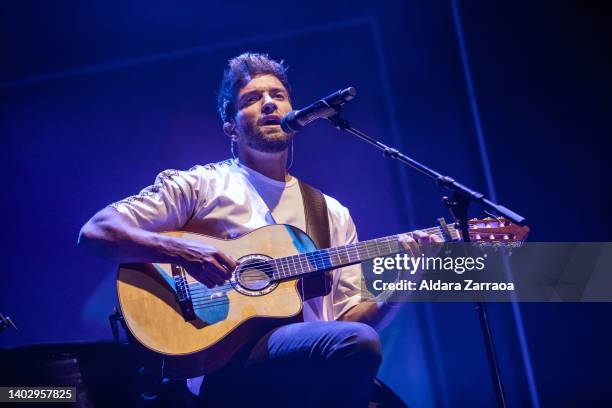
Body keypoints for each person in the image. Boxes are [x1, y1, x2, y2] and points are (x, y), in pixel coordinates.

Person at [78, 52, 439, 407]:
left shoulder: (331, 213)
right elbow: (98, 231)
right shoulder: (203, 185)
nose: (268, 104)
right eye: (252, 99)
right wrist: (183, 253)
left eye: (278, 96)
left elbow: (348, 321)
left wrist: (408, 281)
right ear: (230, 127)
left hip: (312, 370)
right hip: (225, 365)